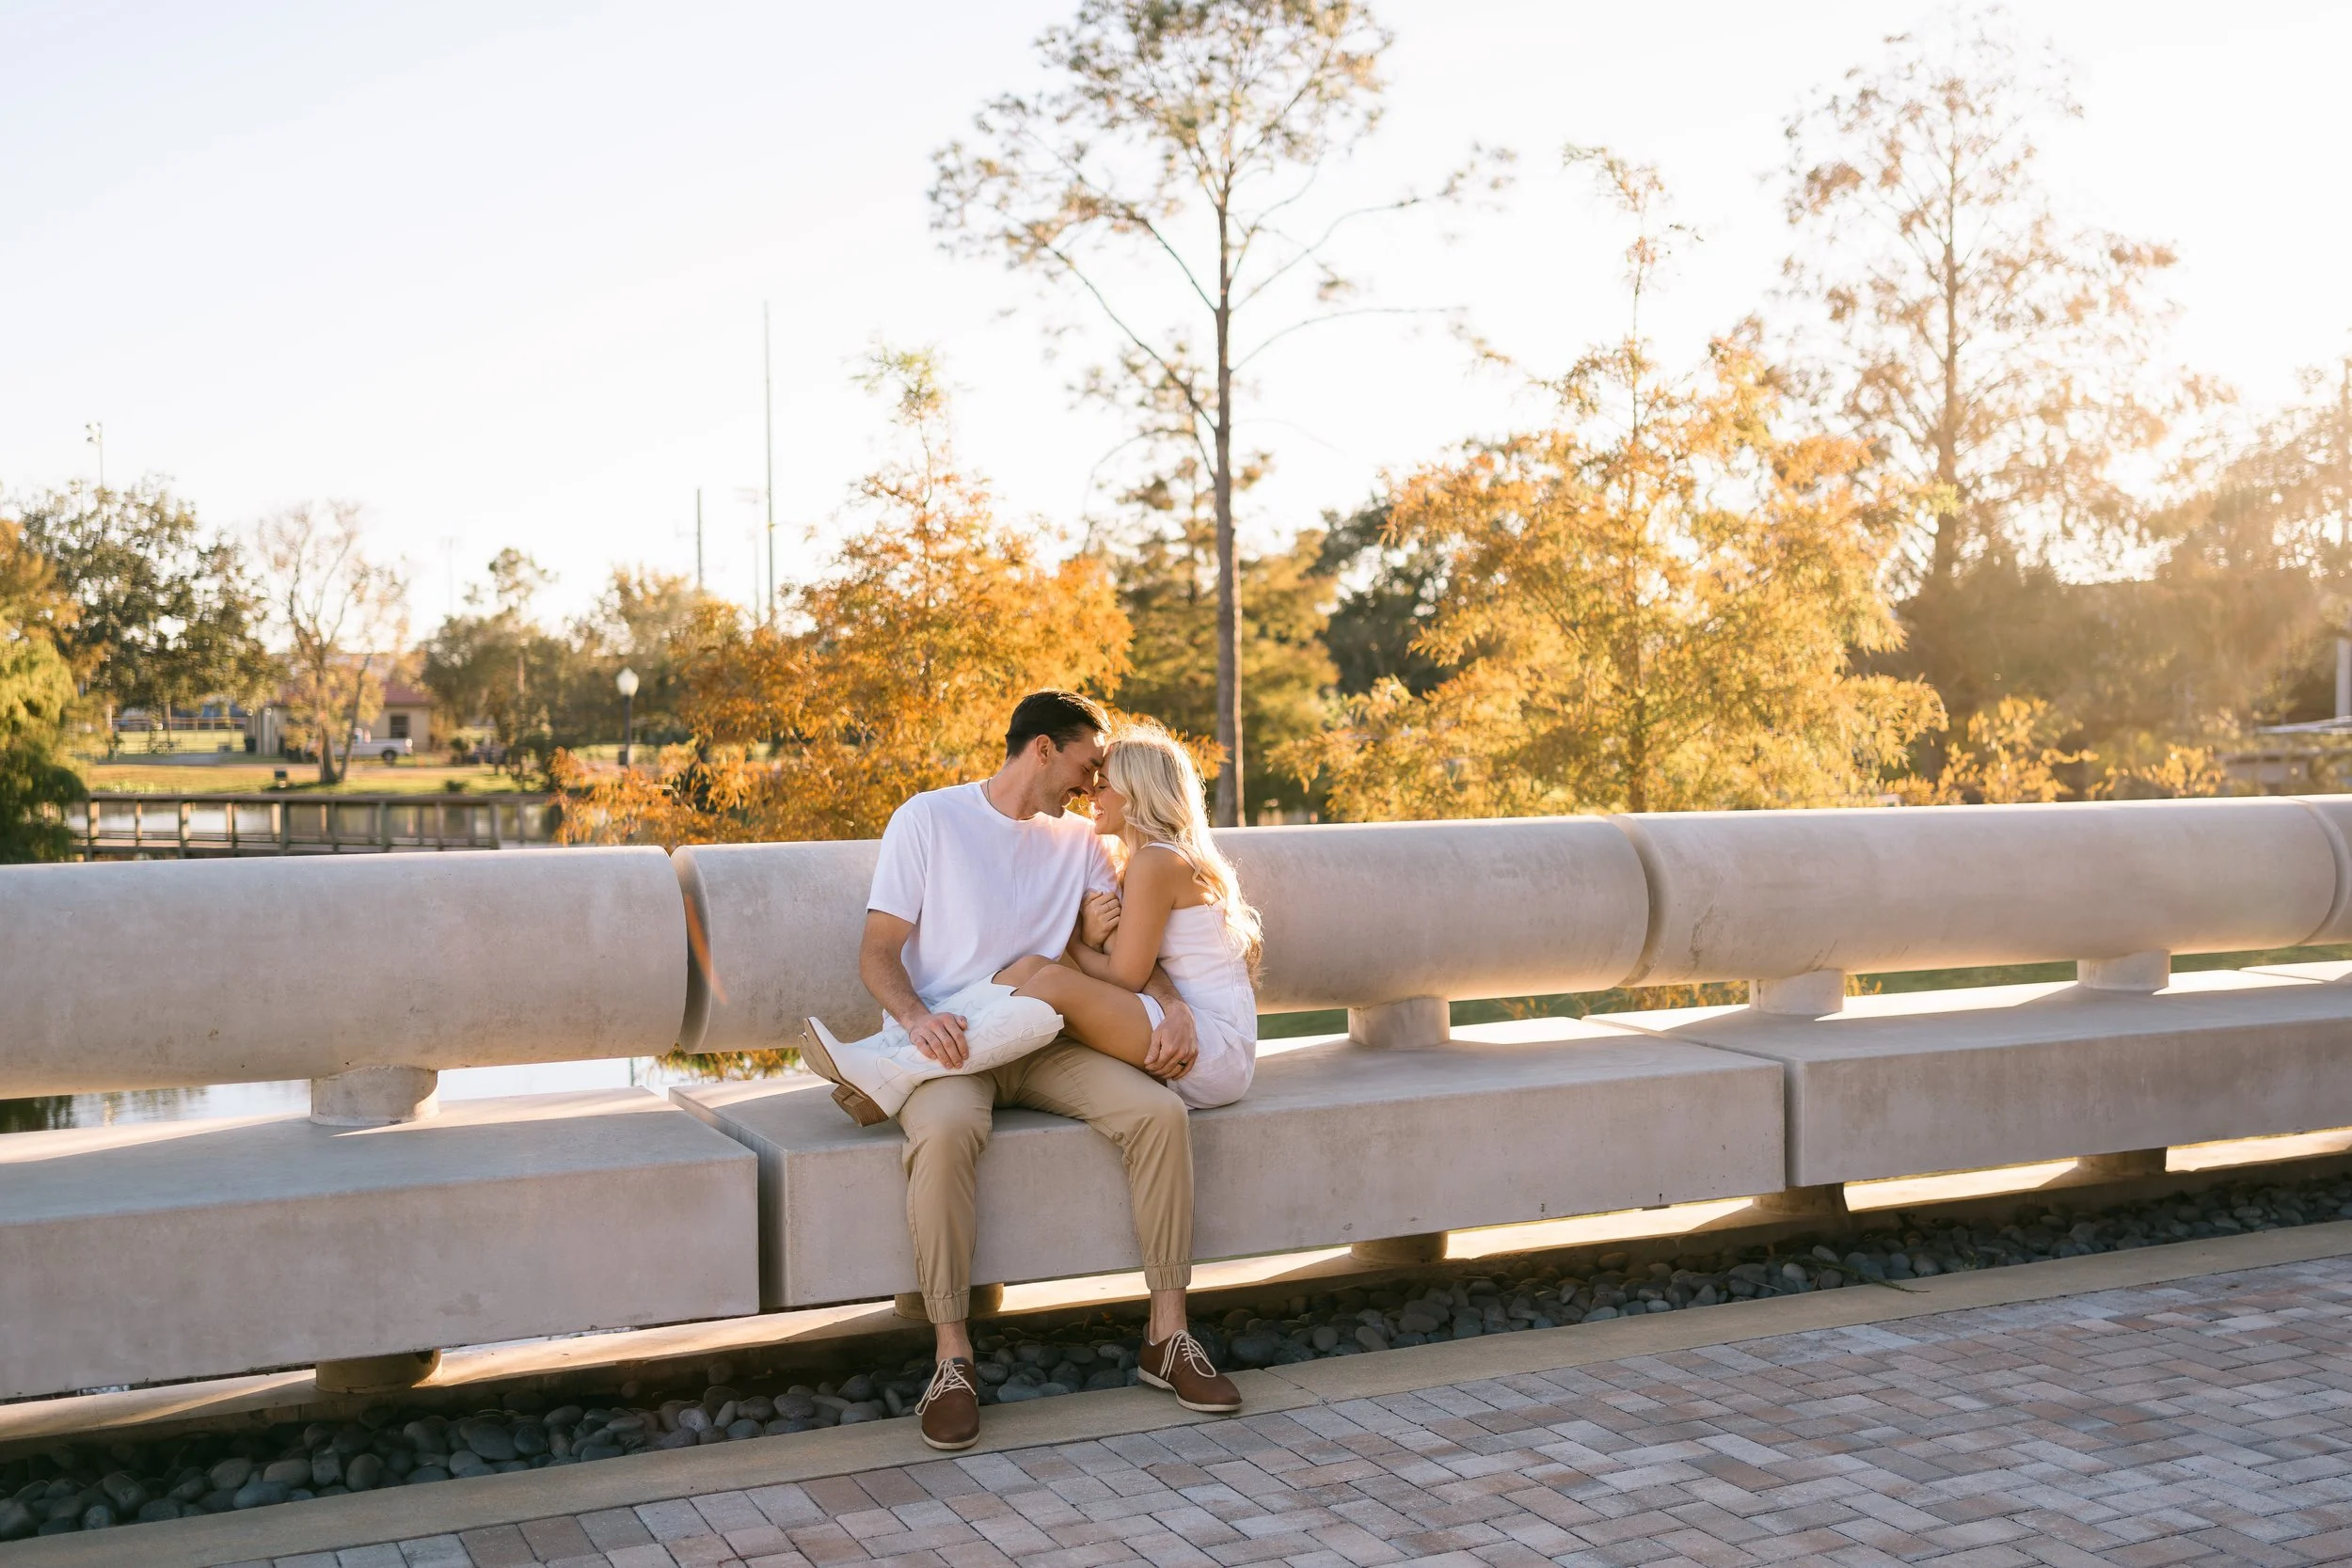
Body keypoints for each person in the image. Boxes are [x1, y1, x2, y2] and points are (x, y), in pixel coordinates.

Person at [796, 690, 1242, 1451]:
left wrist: (1175, 1006)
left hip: (1045, 1037)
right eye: (1085, 762)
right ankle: (952, 1359)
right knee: (941, 1137)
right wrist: (917, 1019)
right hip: (953, 1047)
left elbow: (1129, 958)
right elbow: (878, 953)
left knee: (1158, 1114)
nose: (1093, 779)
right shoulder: (928, 819)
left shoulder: (1083, 842)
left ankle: (1168, 1338)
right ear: (1041, 748)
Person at [993, 721, 1261, 1110]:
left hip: (1208, 1047)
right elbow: (1131, 963)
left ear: (1137, 791)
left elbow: (1125, 976)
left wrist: (1075, 941)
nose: (1090, 794)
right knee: (1030, 967)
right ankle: (942, 1035)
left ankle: (929, 1063)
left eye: (1103, 785)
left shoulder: (1157, 862)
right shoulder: (1144, 860)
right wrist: (1095, 939)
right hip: (1177, 1024)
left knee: (1050, 979)